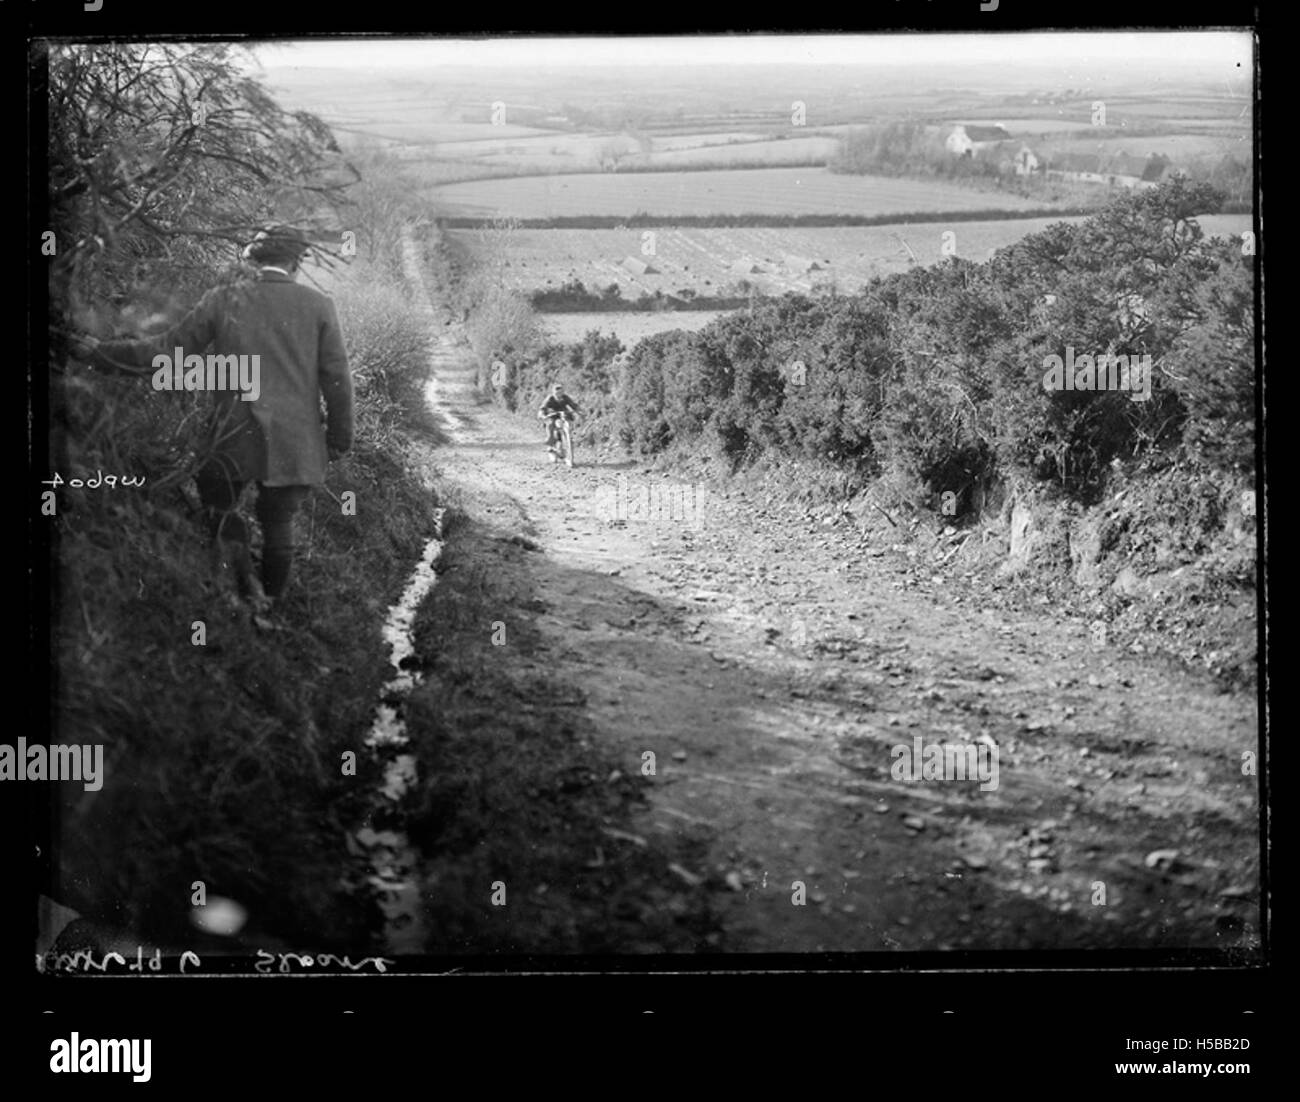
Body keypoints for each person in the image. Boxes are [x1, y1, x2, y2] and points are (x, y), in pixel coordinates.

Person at [73, 225, 354, 611]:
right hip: (296, 439)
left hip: (233, 434)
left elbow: (168, 352)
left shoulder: (223, 300)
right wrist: (340, 437)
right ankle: (269, 607)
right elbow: (337, 378)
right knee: (278, 522)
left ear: (251, 259)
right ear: (295, 261)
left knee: (219, 505)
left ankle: (238, 590)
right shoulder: (320, 305)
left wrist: (100, 353)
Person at [537, 383, 580, 462]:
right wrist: (542, 414)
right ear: (553, 393)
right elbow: (543, 408)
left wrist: (578, 410)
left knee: (569, 423)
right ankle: (550, 440)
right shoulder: (550, 398)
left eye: (561, 392)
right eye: (557, 393)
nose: (559, 395)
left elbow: (573, 405)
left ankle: (569, 439)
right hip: (553, 415)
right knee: (550, 424)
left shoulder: (565, 398)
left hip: (563, 415)